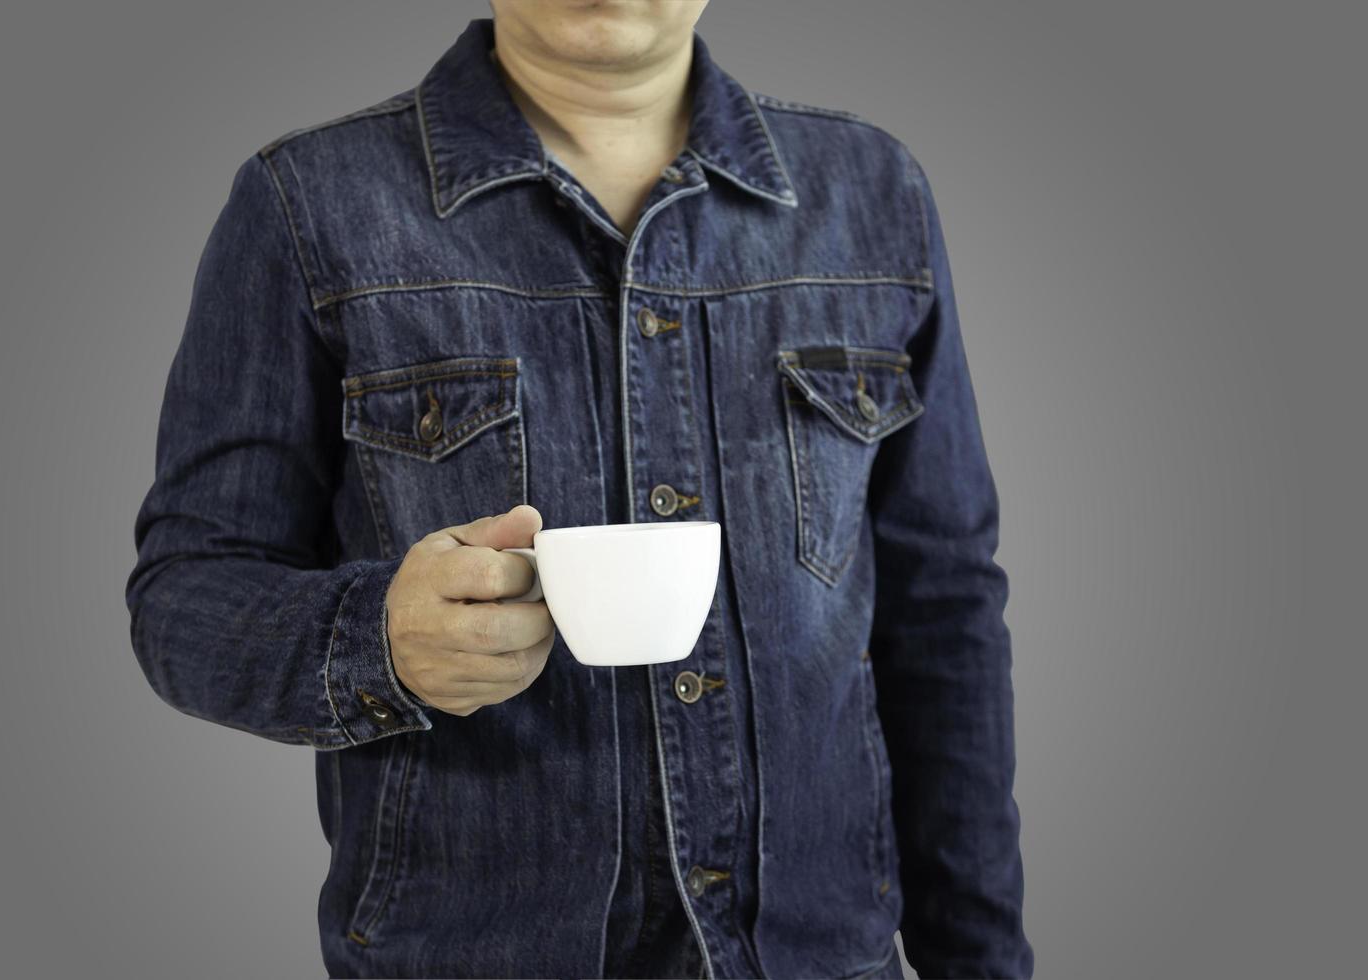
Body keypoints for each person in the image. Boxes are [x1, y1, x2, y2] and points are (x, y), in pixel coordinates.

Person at [124, 2, 1034, 977]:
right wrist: (377, 640)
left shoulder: (871, 191)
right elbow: (184, 595)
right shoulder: (309, 202)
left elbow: (944, 614)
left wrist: (979, 958)